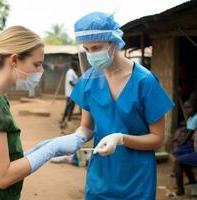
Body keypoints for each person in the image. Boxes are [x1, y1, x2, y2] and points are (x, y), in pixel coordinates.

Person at [0, 26, 91, 200]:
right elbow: (3, 177)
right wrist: (51, 149)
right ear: (14, 60)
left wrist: (37, 149)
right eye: (37, 64)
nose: (40, 71)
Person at [70, 12, 174, 199]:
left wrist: (121, 139)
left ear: (113, 42)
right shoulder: (88, 80)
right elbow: (86, 127)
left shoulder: (145, 81)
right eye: (87, 49)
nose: (92, 54)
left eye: (96, 47)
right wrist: (75, 139)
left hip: (137, 180)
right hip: (100, 178)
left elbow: (158, 139)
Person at [175, 92, 197, 195]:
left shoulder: (195, 117)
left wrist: (179, 143)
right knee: (180, 154)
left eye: (190, 106)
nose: (187, 109)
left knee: (178, 160)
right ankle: (192, 180)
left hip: (194, 148)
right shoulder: (192, 117)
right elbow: (188, 131)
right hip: (193, 147)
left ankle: (180, 190)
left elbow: (189, 135)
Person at [60, 61, 79, 127]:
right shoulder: (70, 72)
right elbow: (70, 82)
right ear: (74, 66)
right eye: (76, 65)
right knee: (68, 106)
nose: (77, 67)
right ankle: (64, 119)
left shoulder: (72, 72)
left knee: (71, 106)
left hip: (72, 93)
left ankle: (68, 119)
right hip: (70, 93)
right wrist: (78, 85)